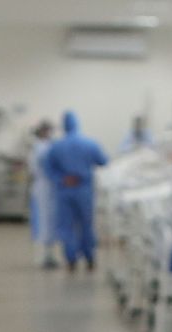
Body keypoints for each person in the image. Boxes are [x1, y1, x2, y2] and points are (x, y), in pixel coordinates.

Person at [43, 111, 109, 272]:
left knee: (66, 226)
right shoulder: (90, 144)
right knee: (86, 224)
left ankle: (71, 259)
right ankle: (89, 258)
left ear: (64, 125)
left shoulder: (56, 147)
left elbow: (48, 168)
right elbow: (103, 161)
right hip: (84, 190)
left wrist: (61, 179)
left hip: (65, 190)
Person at [28, 120, 59, 269]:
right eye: (47, 130)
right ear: (41, 132)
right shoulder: (38, 148)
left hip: (50, 187)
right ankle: (45, 256)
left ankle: (49, 255)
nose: (49, 133)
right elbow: (35, 168)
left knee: (49, 221)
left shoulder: (50, 146)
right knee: (44, 221)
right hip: (43, 187)